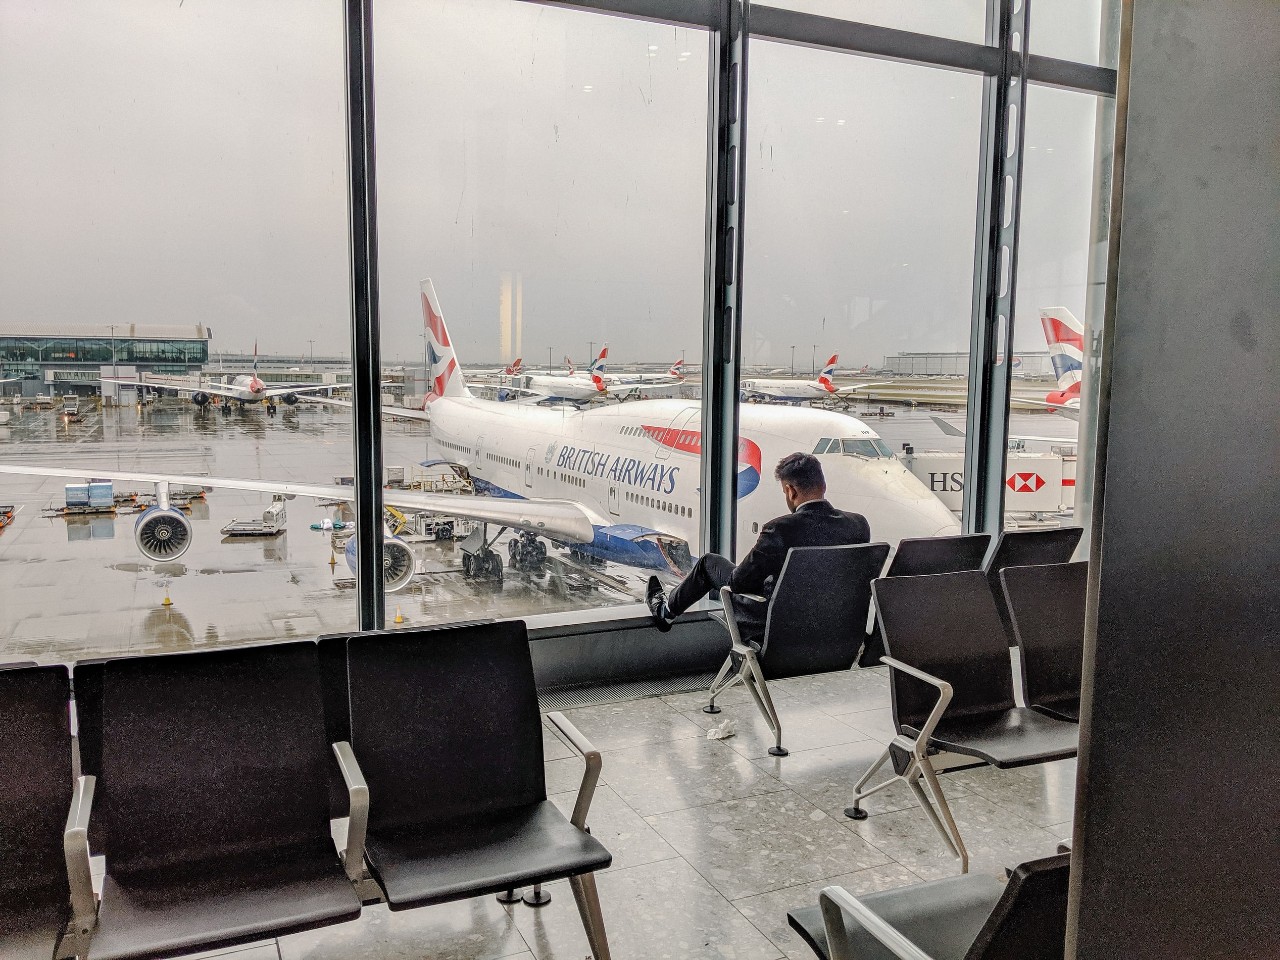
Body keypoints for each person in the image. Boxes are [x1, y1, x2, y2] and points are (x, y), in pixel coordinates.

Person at [645, 452, 870, 635]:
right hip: (837, 629)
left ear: (791, 491)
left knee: (708, 563)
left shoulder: (779, 529)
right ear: (823, 485)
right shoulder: (858, 524)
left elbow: (740, 582)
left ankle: (666, 612)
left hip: (781, 630)